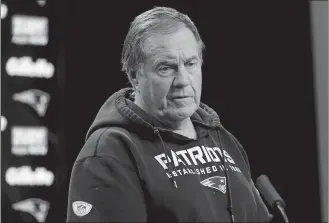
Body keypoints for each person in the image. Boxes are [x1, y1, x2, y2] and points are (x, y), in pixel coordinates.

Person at [66, 6, 273, 223]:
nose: (183, 80)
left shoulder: (222, 140)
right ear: (135, 76)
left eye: (190, 64)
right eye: (166, 68)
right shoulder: (110, 153)